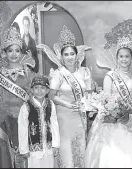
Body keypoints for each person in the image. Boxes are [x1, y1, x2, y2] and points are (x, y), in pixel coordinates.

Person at [85, 36, 132, 168]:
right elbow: (106, 100)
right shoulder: (110, 76)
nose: (124, 59)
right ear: (117, 58)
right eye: (121, 56)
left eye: (127, 56)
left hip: (131, 119)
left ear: (131, 58)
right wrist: (116, 115)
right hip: (112, 121)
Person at [38, 25, 92, 168]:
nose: (69, 57)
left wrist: (87, 105)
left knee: (80, 147)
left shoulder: (84, 72)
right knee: (67, 149)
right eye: (66, 54)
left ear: (77, 55)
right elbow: (51, 95)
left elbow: (88, 94)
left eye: (72, 54)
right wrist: (68, 105)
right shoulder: (58, 74)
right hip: (64, 115)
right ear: (61, 57)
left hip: (80, 116)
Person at [0, 27, 36, 168]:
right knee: (8, 151)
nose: (14, 54)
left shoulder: (28, 72)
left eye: (17, 50)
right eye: (10, 50)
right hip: (5, 118)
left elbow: (33, 94)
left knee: (24, 150)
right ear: (4, 53)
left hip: (24, 117)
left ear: (21, 52)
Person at [18, 75, 60, 168]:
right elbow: (22, 128)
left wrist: (55, 145)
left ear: (48, 90)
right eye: (36, 88)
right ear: (32, 90)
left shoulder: (50, 104)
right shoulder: (26, 106)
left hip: (48, 147)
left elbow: (54, 124)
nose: (39, 91)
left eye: (42, 88)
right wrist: (24, 149)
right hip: (33, 149)